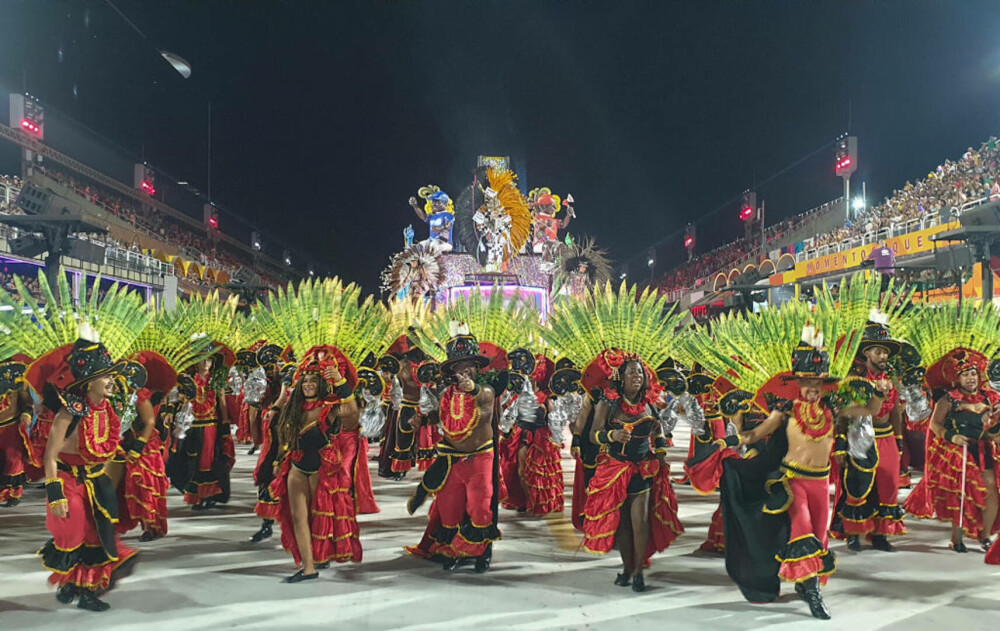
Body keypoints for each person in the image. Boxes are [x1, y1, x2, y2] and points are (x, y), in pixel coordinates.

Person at [709, 327, 883, 620]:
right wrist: (732, 431)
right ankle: (814, 595)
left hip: (820, 485)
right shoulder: (785, 411)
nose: (813, 386)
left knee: (819, 538)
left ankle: (805, 583)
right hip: (792, 484)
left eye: (818, 380)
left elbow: (872, 410)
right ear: (798, 380)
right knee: (801, 533)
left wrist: (880, 390)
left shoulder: (833, 408)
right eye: (807, 380)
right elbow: (753, 436)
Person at [33, 330, 143, 611]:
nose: (111, 381)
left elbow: (106, 451)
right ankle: (70, 582)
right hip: (69, 481)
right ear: (90, 382)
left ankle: (84, 590)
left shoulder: (109, 410)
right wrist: (55, 493)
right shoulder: (69, 412)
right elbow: (50, 456)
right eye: (106, 376)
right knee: (74, 533)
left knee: (97, 537)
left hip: (97, 482)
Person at [405, 323, 501, 573]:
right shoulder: (448, 393)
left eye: (468, 366)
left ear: (478, 368)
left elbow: (483, 396)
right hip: (450, 459)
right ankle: (455, 550)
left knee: (480, 509)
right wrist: (423, 419)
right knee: (450, 510)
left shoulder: (487, 391)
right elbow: (442, 416)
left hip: (480, 459)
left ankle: (482, 554)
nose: (464, 372)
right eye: (459, 368)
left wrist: (473, 388)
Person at [269, 346, 362, 582]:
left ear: (320, 384)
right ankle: (308, 568)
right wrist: (279, 460)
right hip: (297, 467)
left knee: (316, 516)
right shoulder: (293, 409)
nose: (308, 383)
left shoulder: (329, 410)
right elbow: (284, 437)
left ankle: (321, 556)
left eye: (313, 380)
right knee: (298, 517)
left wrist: (340, 380)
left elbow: (352, 410)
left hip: (323, 468)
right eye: (305, 380)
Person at [905, 348, 1000, 552]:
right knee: (961, 494)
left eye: (973, 373)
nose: (971, 378)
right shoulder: (948, 399)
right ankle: (957, 538)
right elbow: (935, 425)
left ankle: (984, 537)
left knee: (992, 492)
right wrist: (953, 437)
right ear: (957, 379)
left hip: (984, 449)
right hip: (959, 451)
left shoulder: (990, 397)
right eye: (965, 374)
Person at [830, 316, 907, 551]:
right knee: (857, 486)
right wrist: (841, 444)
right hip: (859, 439)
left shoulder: (891, 380)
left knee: (888, 485)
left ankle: (880, 535)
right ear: (866, 354)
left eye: (885, 352)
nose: (883, 356)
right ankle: (853, 533)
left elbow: (895, 412)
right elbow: (842, 415)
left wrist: (899, 440)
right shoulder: (855, 380)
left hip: (886, 437)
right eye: (877, 351)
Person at [167, 350, 233, 510]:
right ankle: (196, 495)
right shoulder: (188, 381)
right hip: (192, 425)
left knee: (207, 461)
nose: (206, 364)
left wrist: (225, 423)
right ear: (196, 363)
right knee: (191, 459)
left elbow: (222, 401)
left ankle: (209, 494)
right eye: (202, 360)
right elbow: (175, 398)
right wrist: (171, 413)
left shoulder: (215, 381)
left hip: (211, 425)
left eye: (209, 360)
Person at [0, 358, 32, 506]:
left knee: (13, 460)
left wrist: (26, 413)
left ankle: (13, 493)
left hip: (11, 426)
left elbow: (26, 400)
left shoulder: (15, 372)